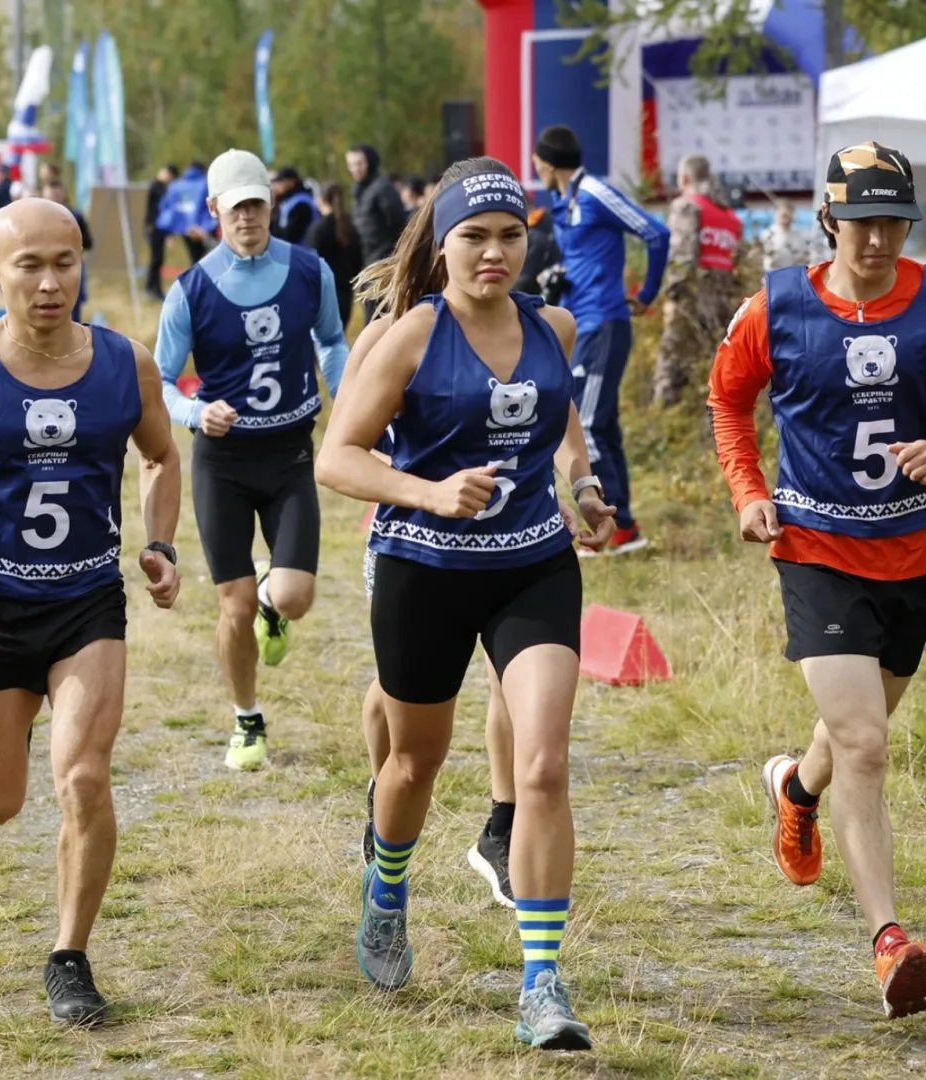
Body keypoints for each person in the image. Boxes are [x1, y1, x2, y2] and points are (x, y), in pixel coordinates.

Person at [708, 141, 926, 1021]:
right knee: (869, 746)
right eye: (862, 222)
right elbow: (727, 398)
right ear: (828, 221)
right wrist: (747, 491)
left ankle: (795, 790)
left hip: (916, 555)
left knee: (855, 737)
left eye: (894, 222)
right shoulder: (778, 305)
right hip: (815, 548)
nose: (878, 239)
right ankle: (890, 943)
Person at [316, 157, 614, 1049]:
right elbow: (339, 457)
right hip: (425, 568)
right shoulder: (410, 335)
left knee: (545, 766)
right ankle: (388, 890)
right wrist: (429, 491)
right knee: (413, 764)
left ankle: (542, 985)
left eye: (510, 236)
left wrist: (583, 482)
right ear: (442, 245)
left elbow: (561, 421)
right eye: (474, 238)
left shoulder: (552, 327)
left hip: (533, 565)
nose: (494, 253)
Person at [0, 197, 184, 1028]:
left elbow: (163, 455)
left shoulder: (126, 364)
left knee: (85, 778)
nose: (51, 282)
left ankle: (70, 955)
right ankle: (8, 711)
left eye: (65, 262)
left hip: (86, 600)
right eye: (29, 265)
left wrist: (162, 545)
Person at [153, 149, 348, 772]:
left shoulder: (309, 270)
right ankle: (246, 719)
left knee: (293, 597)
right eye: (236, 207)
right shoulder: (191, 290)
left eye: (257, 204)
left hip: (291, 454)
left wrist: (351, 405)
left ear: (271, 203)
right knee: (231, 607)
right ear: (214, 211)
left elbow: (333, 342)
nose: (248, 217)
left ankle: (273, 598)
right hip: (223, 463)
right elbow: (157, 382)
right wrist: (193, 412)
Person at [343, 251, 528, 905]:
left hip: (507, 540)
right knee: (397, 695)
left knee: (510, 678)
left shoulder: (509, 325)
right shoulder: (388, 334)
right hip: (409, 538)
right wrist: (421, 485)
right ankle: (383, 789)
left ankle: (501, 828)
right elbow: (346, 445)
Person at [531, 124, 668, 556]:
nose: (534, 167)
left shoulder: (593, 191)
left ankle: (609, 526)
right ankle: (625, 528)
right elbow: (584, 256)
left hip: (605, 321)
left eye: (536, 160)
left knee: (585, 423)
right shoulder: (563, 201)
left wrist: (645, 294)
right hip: (581, 322)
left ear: (546, 162)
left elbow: (655, 232)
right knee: (602, 423)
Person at [653, 154, 741, 407]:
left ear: (684, 178)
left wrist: (674, 296)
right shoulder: (730, 217)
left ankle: (664, 427)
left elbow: (682, 254)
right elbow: (738, 263)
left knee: (671, 367)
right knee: (712, 369)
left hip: (692, 300)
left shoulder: (688, 206)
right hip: (723, 306)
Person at [347, 144, 407, 318]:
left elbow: (400, 226)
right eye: (351, 164)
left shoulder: (383, 189)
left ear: (370, 162)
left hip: (384, 265)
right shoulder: (359, 191)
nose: (355, 169)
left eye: (359, 163)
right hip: (367, 264)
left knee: (382, 320)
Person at [304, 182, 361, 328]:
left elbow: (310, 264)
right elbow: (357, 260)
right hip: (345, 293)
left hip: (323, 295)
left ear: (321, 199)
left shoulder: (317, 230)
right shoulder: (350, 226)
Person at [42, 180, 94, 322]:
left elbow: (88, 242)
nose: (54, 199)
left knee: (73, 304)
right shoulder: (37, 219)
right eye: (50, 196)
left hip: (70, 266)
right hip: (44, 269)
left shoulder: (75, 216)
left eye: (56, 195)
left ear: (63, 195)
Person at [156, 162, 215, 265]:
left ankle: (197, 278)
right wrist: (206, 227)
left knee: (195, 259)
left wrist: (170, 232)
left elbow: (166, 207)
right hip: (203, 231)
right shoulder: (206, 184)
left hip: (186, 231)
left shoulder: (175, 186)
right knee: (208, 259)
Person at [144, 164, 177, 299]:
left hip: (159, 227)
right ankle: (152, 288)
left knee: (158, 259)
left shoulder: (160, 187)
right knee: (156, 259)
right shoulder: (156, 186)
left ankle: (154, 287)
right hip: (154, 227)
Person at [761, 198, 821, 273]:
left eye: (787, 215)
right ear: (776, 214)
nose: (785, 219)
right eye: (783, 215)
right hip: (773, 277)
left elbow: (807, 258)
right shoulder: (768, 235)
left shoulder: (800, 236)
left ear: (792, 215)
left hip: (794, 277)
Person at [269, 167, 317, 246]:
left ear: (291, 182)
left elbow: (291, 236)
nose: (277, 185)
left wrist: (271, 220)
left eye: (280, 181)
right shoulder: (286, 201)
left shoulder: (301, 203)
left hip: (301, 253)